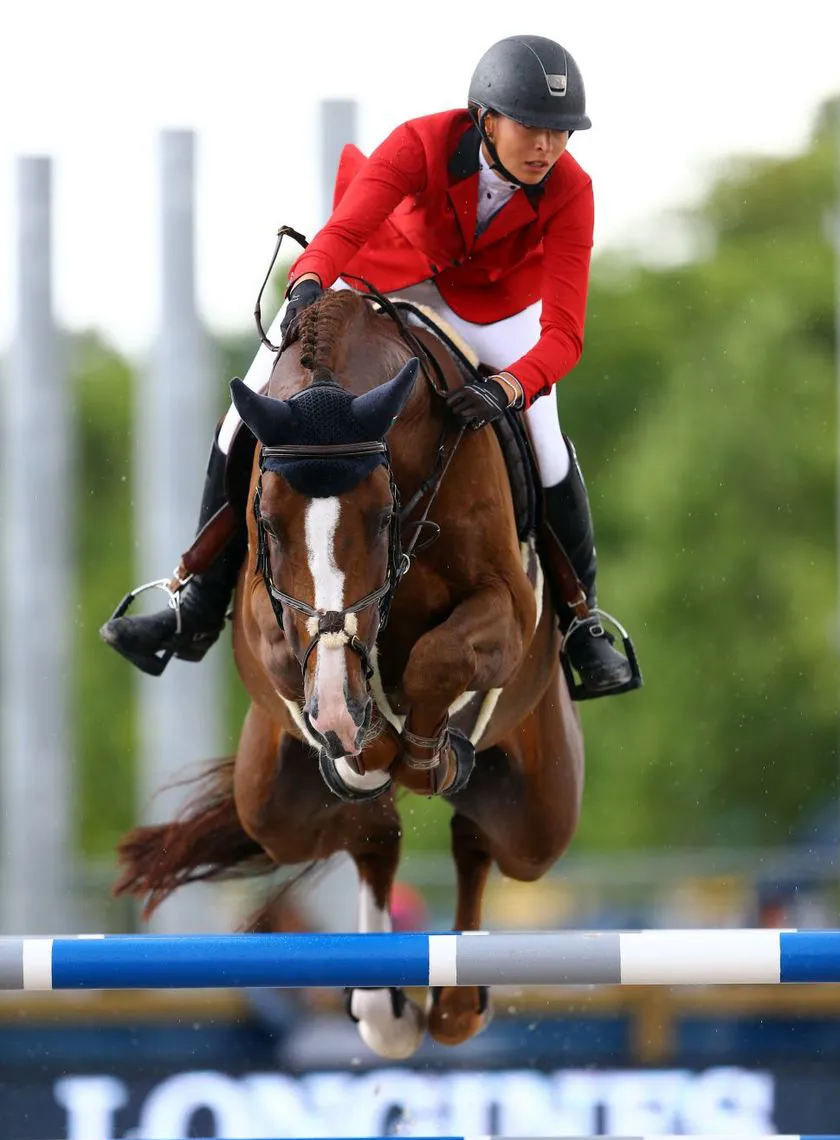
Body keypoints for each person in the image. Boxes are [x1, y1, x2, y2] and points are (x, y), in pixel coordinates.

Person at [100, 34, 633, 695]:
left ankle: (583, 622)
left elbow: (565, 336)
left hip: (494, 308)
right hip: (384, 273)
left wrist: (509, 387)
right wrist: (306, 286)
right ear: (485, 118)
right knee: (245, 414)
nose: (547, 148)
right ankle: (197, 601)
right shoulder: (420, 144)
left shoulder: (572, 190)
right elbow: (343, 233)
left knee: (546, 439)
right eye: (533, 128)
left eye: (561, 133)